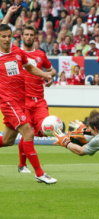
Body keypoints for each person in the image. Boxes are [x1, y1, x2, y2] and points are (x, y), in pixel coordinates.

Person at [0, 23, 56, 184]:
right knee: (28, 132)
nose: (5, 39)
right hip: (8, 102)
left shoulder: (17, 51)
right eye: (2, 36)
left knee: (8, 140)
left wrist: (45, 75)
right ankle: (40, 173)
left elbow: (30, 67)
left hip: (20, 100)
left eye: (8, 36)